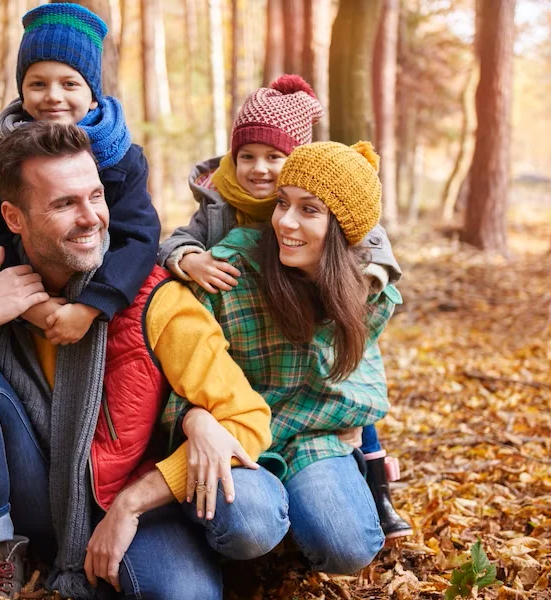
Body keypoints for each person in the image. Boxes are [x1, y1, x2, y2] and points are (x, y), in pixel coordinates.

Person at [0, 123, 287, 600]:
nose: (91, 218)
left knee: (185, 593)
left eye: (95, 196)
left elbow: (248, 418)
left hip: (127, 498)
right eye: (63, 204)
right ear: (14, 217)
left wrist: (132, 505)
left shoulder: (150, 297)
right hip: (32, 491)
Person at [159, 75, 411, 538]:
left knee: (348, 530)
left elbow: (371, 240)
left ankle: (370, 486)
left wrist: (369, 280)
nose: (259, 169)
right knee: (248, 522)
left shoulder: (340, 214)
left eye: (274, 158)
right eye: (247, 156)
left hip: (313, 412)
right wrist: (189, 258)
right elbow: (177, 242)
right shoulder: (220, 210)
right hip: (241, 401)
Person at [0, 2, 161, 345]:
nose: (53, 97)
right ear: (22, 91)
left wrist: (92, 306)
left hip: (107, 309)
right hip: (25, 305)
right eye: (38, 84)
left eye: (69, 84)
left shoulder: (122, 159)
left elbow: (139, 238)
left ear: (93, 96)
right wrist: (31, 306)